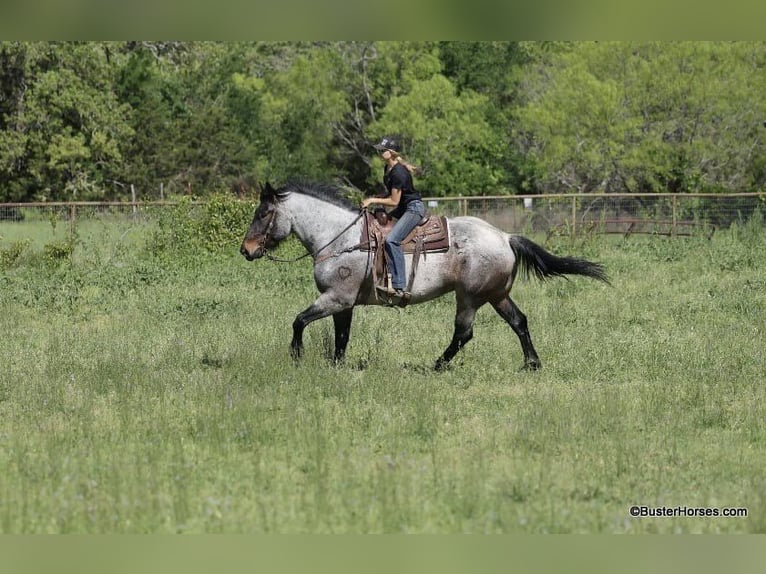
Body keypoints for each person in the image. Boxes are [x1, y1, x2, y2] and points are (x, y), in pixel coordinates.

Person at [361, 136, 425, 297]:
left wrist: (373, 200)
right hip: (404, 207)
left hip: (413, 208)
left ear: (391, 152)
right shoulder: (388, 169)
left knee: (392, 240)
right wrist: (376, 199)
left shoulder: (399, 173)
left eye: (383, 150)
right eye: (379, 149)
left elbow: (395, 201)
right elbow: (390, 194)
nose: (379, 152)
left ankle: (399, 286)